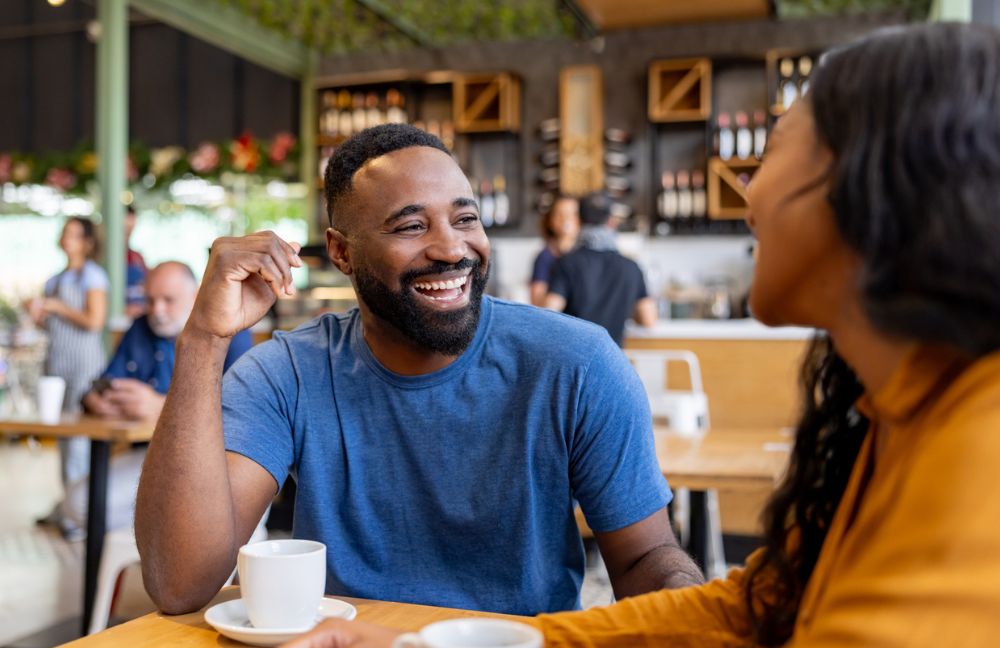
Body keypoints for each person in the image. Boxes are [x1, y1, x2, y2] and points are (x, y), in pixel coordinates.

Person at [269, 23, 1000, 648]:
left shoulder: (978, 459)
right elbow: (744, 616)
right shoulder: (897, 420)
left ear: (875, 190)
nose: (745, 194)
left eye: (773, 156)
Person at [135, 123, 703, 618]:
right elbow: (181, 583)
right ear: (341, 252)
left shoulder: (577, 363)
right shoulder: (288, 372)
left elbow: (644, 558)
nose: (451, 248)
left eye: (465, 218)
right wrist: (204, 340)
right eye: (411, 227)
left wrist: (692, 610)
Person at [65, 261, 253, 533]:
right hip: (150, 455)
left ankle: (176, 541)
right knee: (78, 503)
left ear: (196, 295)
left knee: (228, 514)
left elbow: (241, 417)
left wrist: (162, 407)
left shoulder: (231, 332)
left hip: (214, 463)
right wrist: (96, 400)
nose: (157, 310)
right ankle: (162, 541)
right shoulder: (140, 328)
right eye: (150, 300)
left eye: (168, 300)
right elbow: (101, 384)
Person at [28, 216, 108, 539]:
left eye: (73, 235)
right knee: (61, 437)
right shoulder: (55, 279)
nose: (66, 240)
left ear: (87, 241)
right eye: (65, 234)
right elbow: (51, 326)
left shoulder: (93, 276)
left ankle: (80, 514)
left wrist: (59, 308)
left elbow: (94, 321)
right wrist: (40, 315)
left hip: (83, 367)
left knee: (77, 442)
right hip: (56, 364)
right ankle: (68, 504)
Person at [545, 192, 657, 346]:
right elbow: (648, 320)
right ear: (612, 222)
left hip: (576, 364)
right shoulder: (631, 268)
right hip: (613, 365)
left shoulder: (566, 263)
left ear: (579, 221)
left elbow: (548, 316)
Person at [529, 196, 580, 307]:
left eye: (571, 214)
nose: (565, 219)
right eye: (559, 214)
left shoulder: (586, 256)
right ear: (550, 220)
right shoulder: (544, 258)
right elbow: (537, 303)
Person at [124, 205, 148, 318]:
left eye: (131, 229)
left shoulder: (137, 257)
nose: (128, 234)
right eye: (125, 229)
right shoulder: (102, 259)